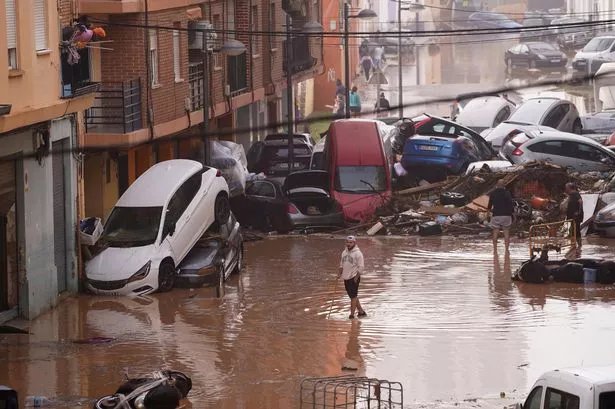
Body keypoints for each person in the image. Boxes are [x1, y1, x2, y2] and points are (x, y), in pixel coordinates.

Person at [337, 236, 366, 319]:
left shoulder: (358, 253)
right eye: (347, 242)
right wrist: (339, 274)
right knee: (352, 296)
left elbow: (361, 267)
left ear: (354, 243)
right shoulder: (344, 252)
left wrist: (356, 278)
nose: (348, 244)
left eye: (350, 242)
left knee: (353, 296)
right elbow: (341, 265)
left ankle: (352, 315)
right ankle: (361, 312)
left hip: (354, 277)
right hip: (345, 277)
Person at [487, 179, 514, 253]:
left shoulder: (493, 193)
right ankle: (507, 251)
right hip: (506, 215)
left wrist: (488, 215)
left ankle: (495, 251)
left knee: (495, 232)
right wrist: (513, 214)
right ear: (504, 185)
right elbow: (510, 204)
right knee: (506, 232)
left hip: (496, 215)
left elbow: (489, 206)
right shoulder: (507, 193)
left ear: (497, 185)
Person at [565, 182, 584, 248]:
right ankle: (574, 245)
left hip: (576, 217)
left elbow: (580, 202)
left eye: (566, 187)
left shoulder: (575, 193)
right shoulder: (571, 195)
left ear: (569, 188)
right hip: (572, 217)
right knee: (573, 231)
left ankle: (578, 245)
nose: (565, 189)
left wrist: (578, 212)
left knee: (576, 231)